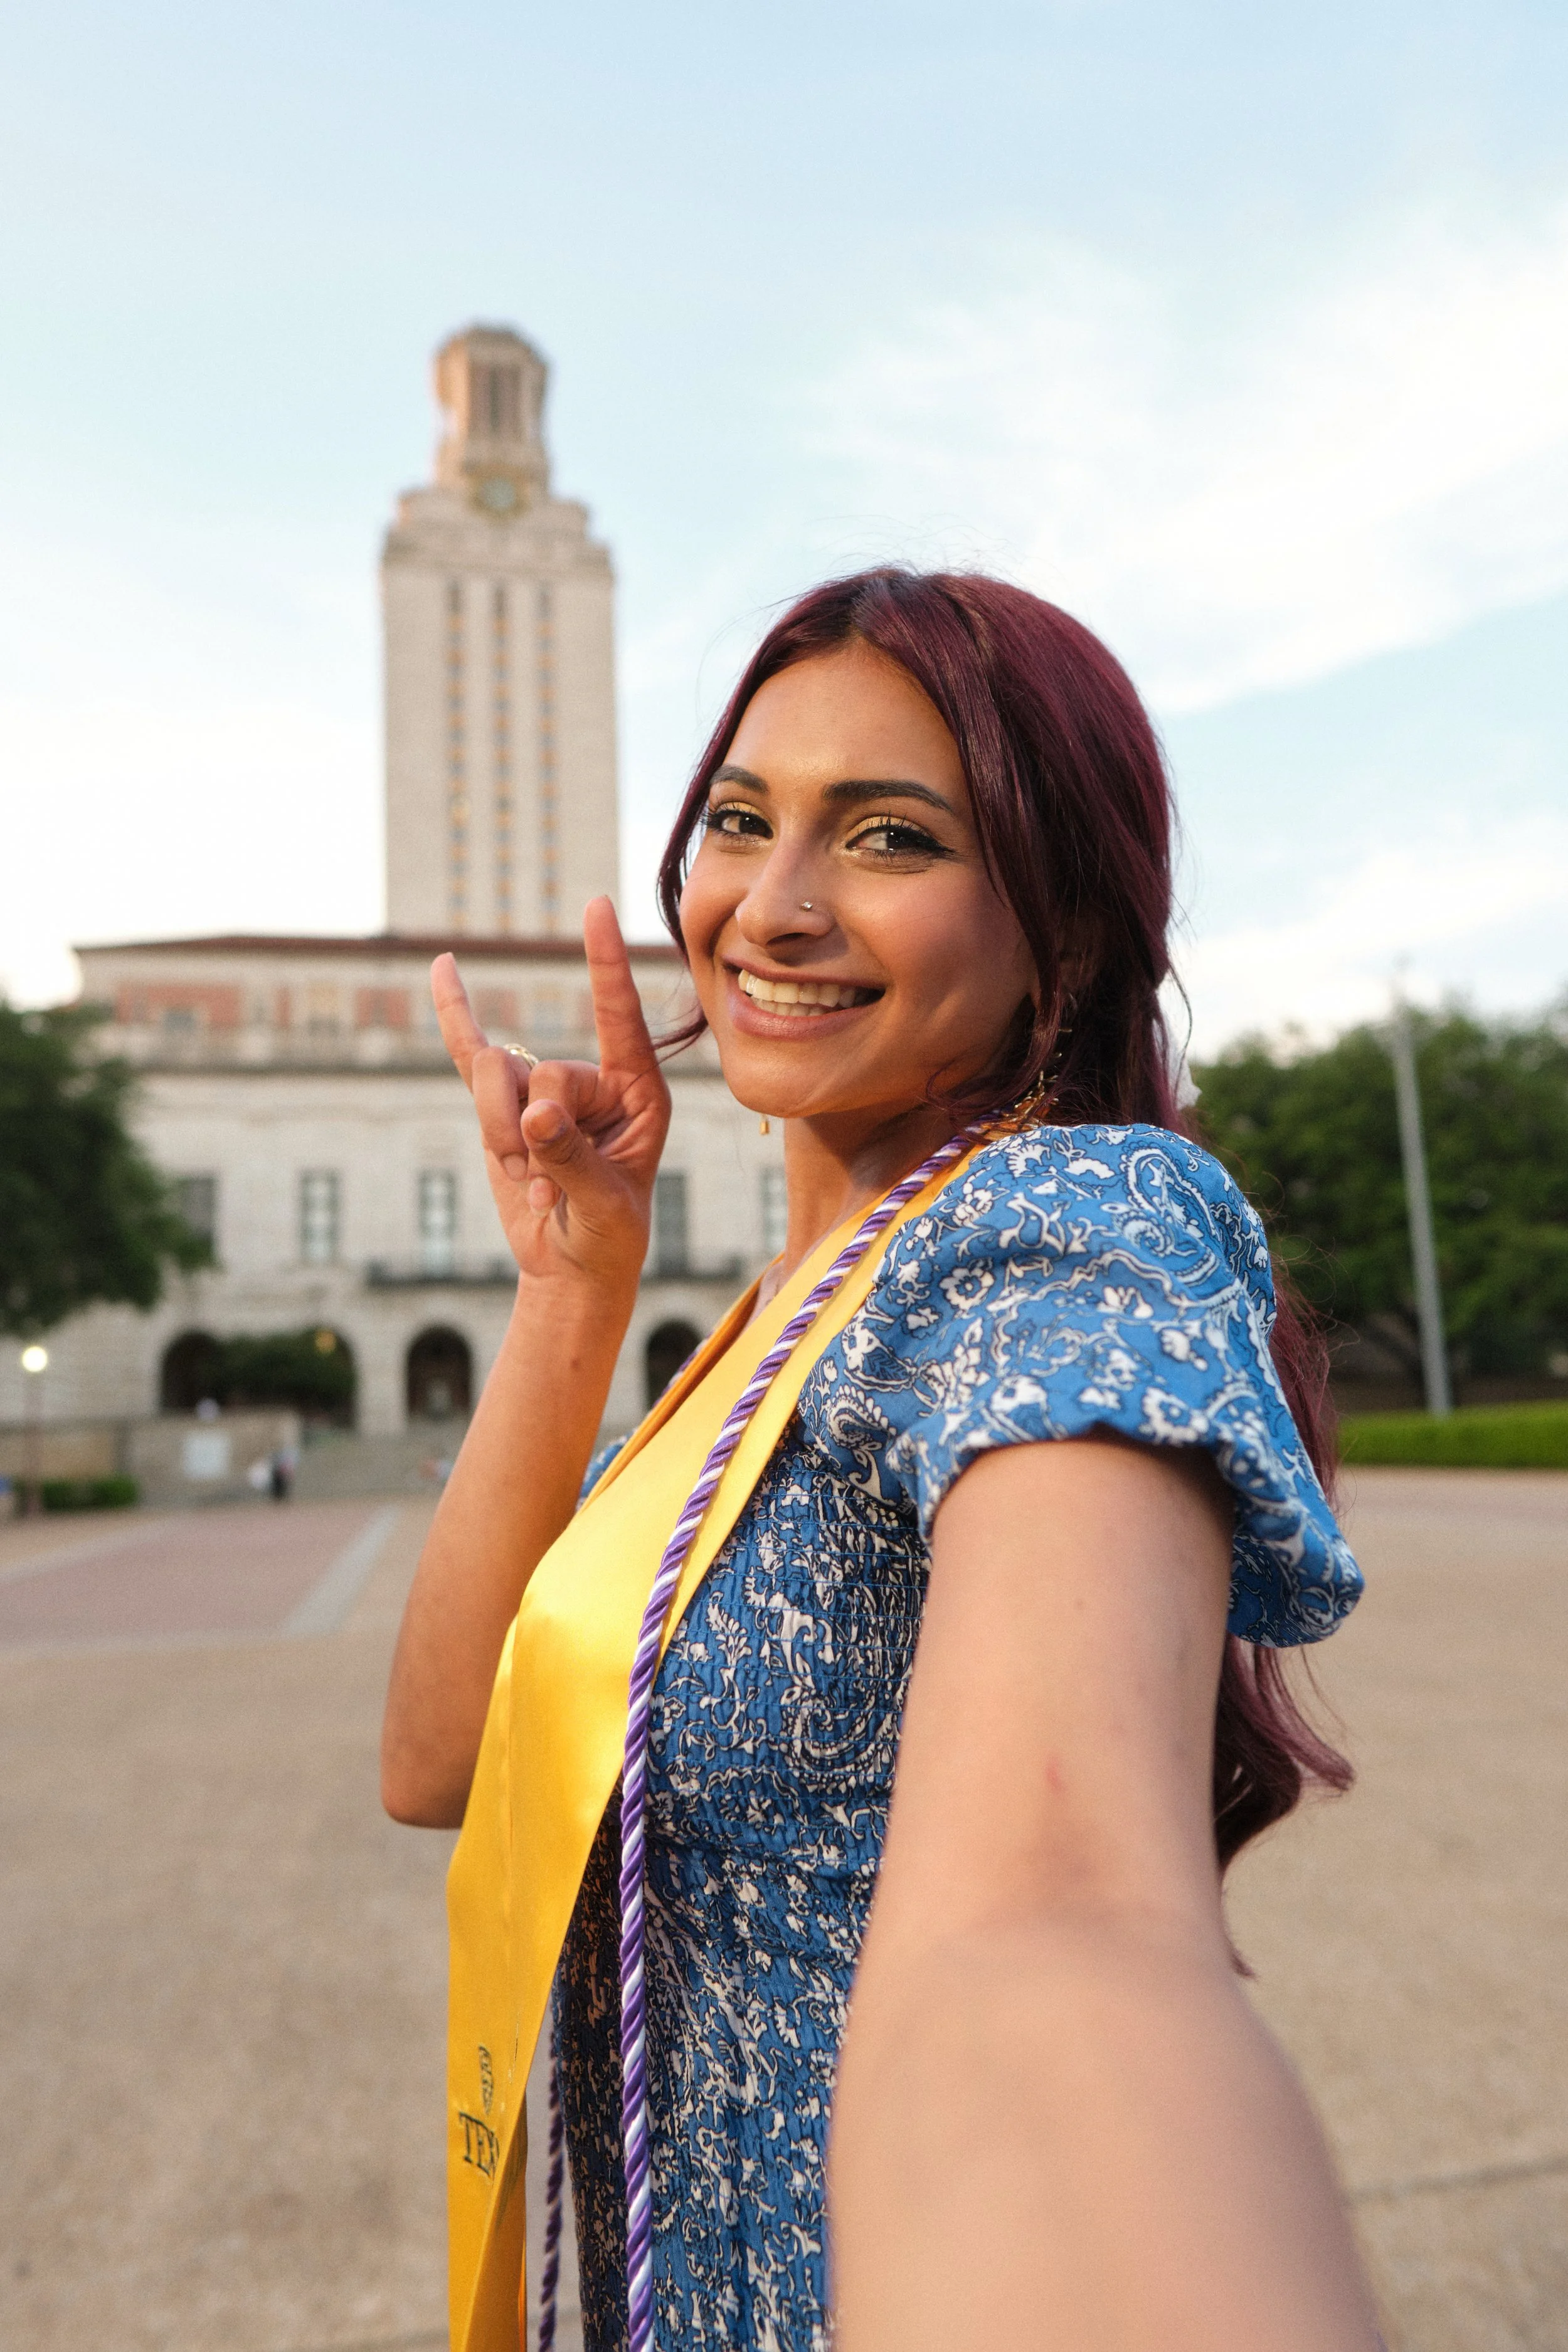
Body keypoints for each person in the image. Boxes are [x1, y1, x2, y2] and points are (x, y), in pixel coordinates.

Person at [382, 569, 1382, 2352]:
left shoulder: (1055, 1229)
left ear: (1059, 923)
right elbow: (449, 1757)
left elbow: (1057, 1920)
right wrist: (570, 1286)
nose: (771, 906)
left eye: (889, 837)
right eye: (740, 822)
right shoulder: (760, 1330)